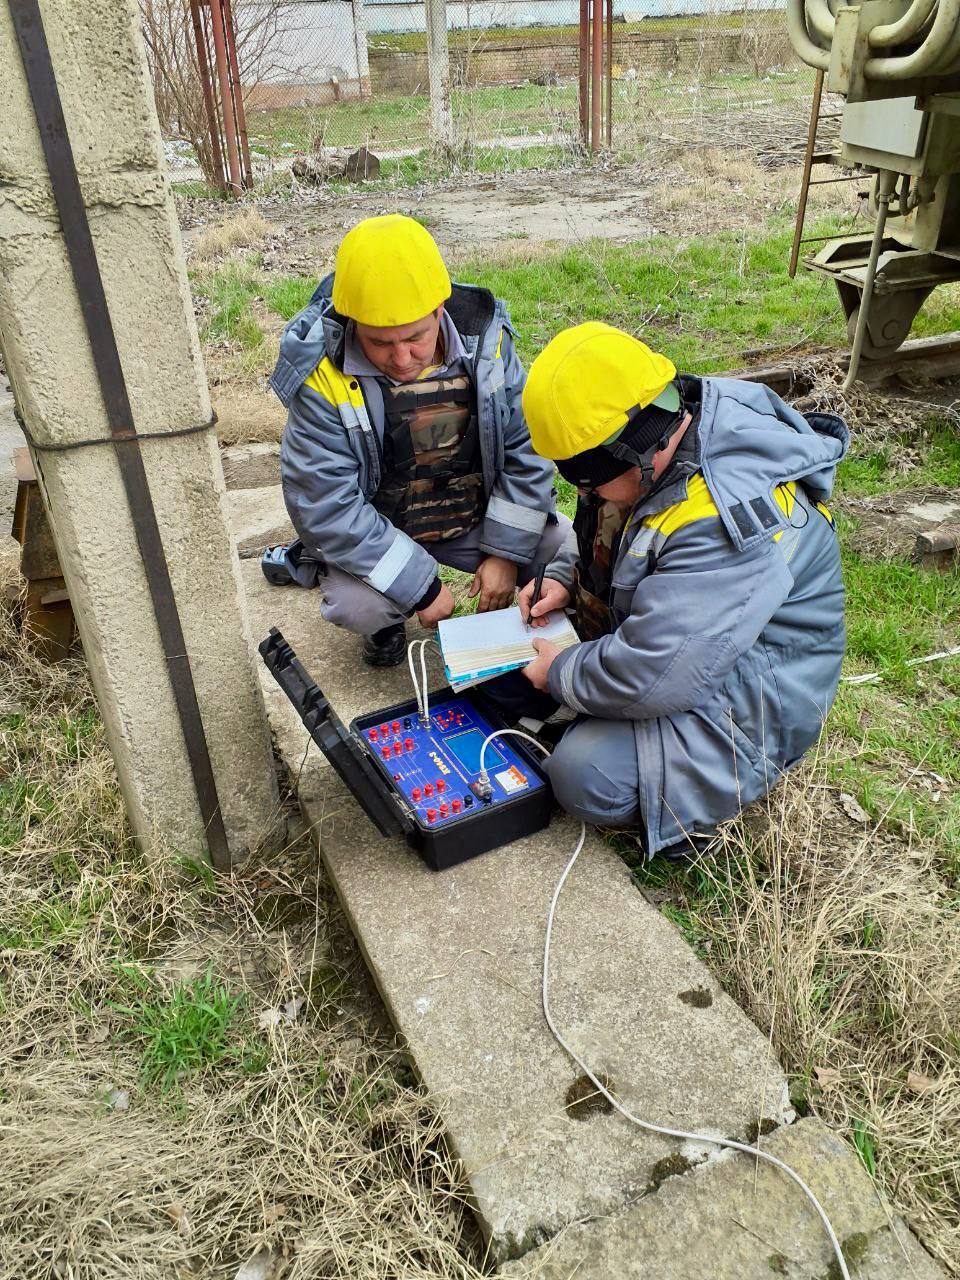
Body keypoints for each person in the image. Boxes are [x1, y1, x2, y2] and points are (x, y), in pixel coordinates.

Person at [508, 321, 848, 858]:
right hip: (696, 646)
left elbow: (657, 673)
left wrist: (562, 674)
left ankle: (702, 819)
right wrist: (563, 580)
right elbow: (620, 523)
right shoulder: (657, 420)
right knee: (519, 690)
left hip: (756, 694)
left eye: (585, 476)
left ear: (638, 450)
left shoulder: (722, 516)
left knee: (584, 773)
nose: (582, 489)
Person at [270, 214, 568, 667]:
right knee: (359, 606)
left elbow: (527, 451)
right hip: (380, 527)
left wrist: (505, 553)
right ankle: (389, 618)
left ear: (439, 309)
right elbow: (325, 505)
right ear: (352, 323)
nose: (402, 358)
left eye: (415, 338)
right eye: (379, 343)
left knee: (568, 550)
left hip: (472, 517)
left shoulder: (489, 348)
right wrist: (421, 587)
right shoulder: (321, 379)